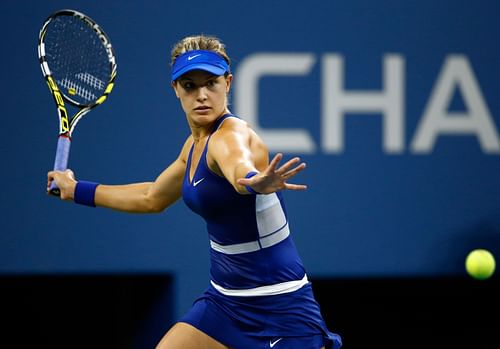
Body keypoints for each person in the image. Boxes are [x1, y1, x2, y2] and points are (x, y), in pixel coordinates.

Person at [47, 34, 342, 349]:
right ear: (175, 90)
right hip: (224, 303)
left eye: (211, 83)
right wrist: (77, 189)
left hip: (280, 308)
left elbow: (239, 167)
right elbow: (152, 197)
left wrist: (255, 181)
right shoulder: (193, 146)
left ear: (228, 83)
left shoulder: (230, 136)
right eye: (189, 85)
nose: (202, 95)